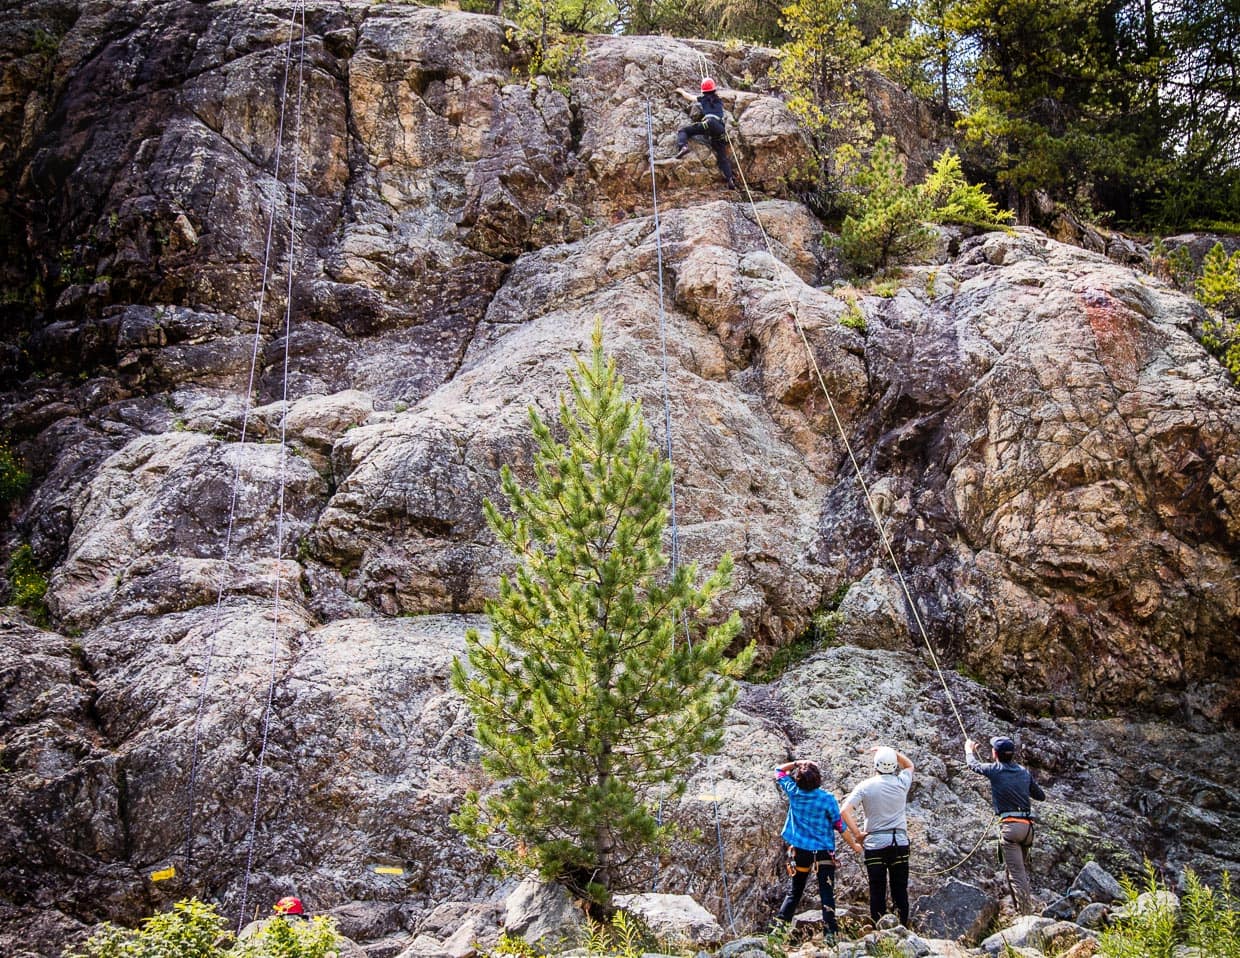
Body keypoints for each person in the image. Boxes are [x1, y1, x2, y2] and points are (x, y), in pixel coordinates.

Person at [772, 760, 862, 943]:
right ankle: (830, 934)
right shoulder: (826, 799)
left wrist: (798, 762)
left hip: (800, 851)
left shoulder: (794, 792)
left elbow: (779, 771)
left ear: (797, 779)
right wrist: (855, 846)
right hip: (823, 852)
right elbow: (840, 826)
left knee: (794, 891)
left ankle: (777, 932)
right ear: (818, 780)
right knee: (826, 893)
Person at [965, 736, 1046, 913]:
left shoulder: (995, 770)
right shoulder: (1023, 772)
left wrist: (968, 749)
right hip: (1027, 828)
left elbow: (973, 765)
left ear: (995, 753)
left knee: (1017, 873)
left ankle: (1026, 915)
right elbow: (1040, 796)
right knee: (1016, 870)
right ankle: (1020, 910)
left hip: (1010, 828)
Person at [841, 745, 914, 928]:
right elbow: (909, 766)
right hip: (899, 842)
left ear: (876, 765)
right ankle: (902, 929)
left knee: (877, 890)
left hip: (874, 844)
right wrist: (891, 751)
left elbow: (844, 811)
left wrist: (857, 834)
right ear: (893, 766)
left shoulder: (865, 786)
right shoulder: (902, 782)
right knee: (899, 890)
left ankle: (878, 930)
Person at [674, 77, 738, 190]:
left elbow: (689, 97)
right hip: (720, 128)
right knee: (722, 156)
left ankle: (683, 147)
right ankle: (730, 179)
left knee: (684, 131)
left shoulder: (703, 99)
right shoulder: (718, 100)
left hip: (708, 123)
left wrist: (681, 91)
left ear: (703, 90)